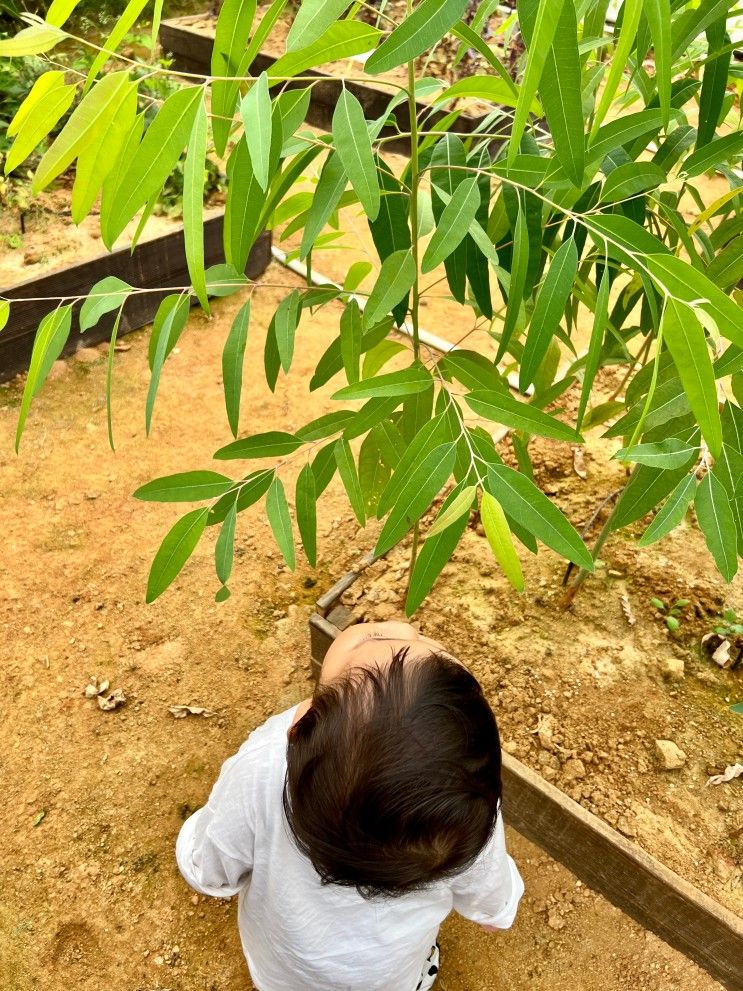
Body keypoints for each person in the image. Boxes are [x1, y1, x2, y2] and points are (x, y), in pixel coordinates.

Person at [176, 621, 523, 991]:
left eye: (371, 641)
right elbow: (490, 887)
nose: (405, 630)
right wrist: (495, 914)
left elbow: (209, 867)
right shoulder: (466, 815)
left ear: (300, 724)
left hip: (284, 973)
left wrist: (191, 848)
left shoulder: (262, 768)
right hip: (390, 978)